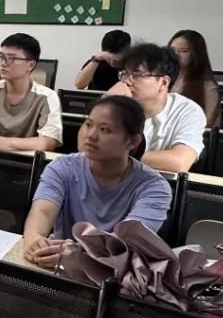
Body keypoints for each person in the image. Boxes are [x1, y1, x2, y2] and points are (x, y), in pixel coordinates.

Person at [23, 96, 172, 269]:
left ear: (132, 141)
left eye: (104, 129)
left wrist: (80, 255)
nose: (91, 135)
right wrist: (34, 239)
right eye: (88, 124)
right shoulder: (62, 167)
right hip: (57, 265)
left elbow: (127, 244)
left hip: (115, 274)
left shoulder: (154, 187)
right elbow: (42, 213)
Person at [107, 43, 206, 173]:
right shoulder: (117, 104)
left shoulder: (187, 111)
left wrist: (117, 155)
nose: (126, 81)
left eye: (136, 74)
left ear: (163, 83)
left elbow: (179, 162)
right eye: (124, 74)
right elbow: (86, 149)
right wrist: (104, 104)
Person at [0, 33, 62, 152]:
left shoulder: (47, 97)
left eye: (11, 58)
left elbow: (48, 142)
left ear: (30, 65)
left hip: (25, 162)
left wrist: (5, 142)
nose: (3, 63)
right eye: (1, 57)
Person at [168, 29, 221, 127]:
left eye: (184, 51)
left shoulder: (208, 86)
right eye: (172, 50)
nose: (176, 55)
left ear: (196, 54)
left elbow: (207, 123)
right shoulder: (165, 78)